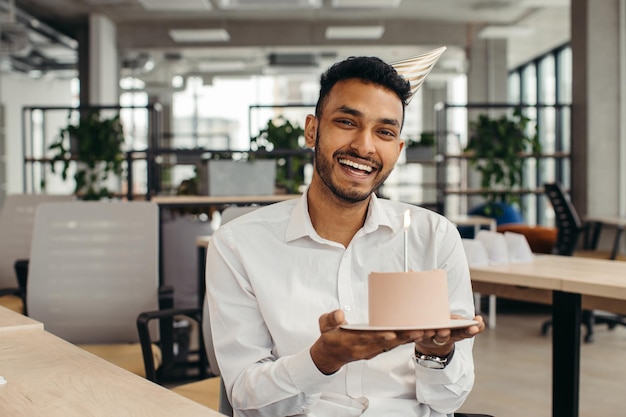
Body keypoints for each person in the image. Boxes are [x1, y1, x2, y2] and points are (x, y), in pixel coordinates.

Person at [205, 54, 486, 417]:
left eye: (384, 132)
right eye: (347, 122)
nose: (365, 147)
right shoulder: (237, 245)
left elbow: (450, 399)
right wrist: (323, 359)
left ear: (398, 150)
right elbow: (247, 398)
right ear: (312, 130)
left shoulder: (434, 237)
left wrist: (436, 353)